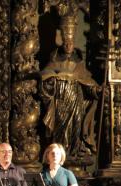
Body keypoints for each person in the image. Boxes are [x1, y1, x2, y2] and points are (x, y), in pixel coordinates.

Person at [39, 14, 99, 164]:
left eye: (70, 43)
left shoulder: (79, 61)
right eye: (66, 42)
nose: (68, 45)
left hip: (76, 97)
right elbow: (46, 75)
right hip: (61, 99)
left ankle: (75, 152)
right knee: (61, 128)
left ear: (74, 44)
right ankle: (60, 156)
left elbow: (87, 81)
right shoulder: (54, 58)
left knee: (77, 123)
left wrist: (96, 90)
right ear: (62, 41)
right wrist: (51, 81)